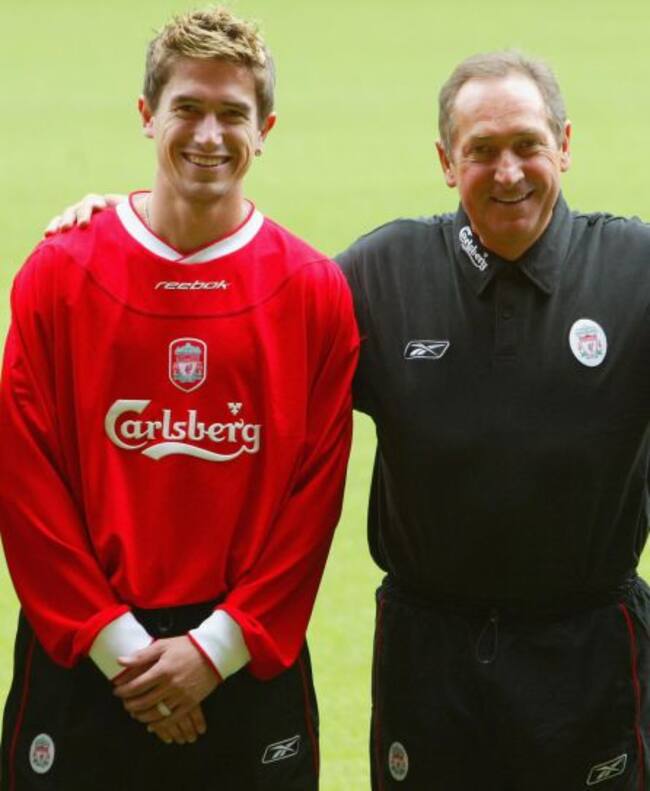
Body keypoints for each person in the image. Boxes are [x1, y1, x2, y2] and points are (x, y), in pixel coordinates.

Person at [42, 50, 650, 790]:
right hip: (430, 651)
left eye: (528, 144)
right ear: (446, 163)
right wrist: (130, 217)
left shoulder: (633, 270)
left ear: (564, 144)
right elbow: (244, 301)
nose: (509, 171)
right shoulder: (382, 274)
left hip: (587, 647)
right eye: (481, 151)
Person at [0, 7, 358, 791]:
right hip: (86, 661)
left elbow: (314, 498)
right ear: (145, 116)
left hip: (243, 665)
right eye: (187, 107)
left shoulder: (313, 291)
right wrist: (125, 651)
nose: (208, 134)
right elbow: (25, 482)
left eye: (233, 113)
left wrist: (214, 651)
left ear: (265, 128)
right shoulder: (59, 274)